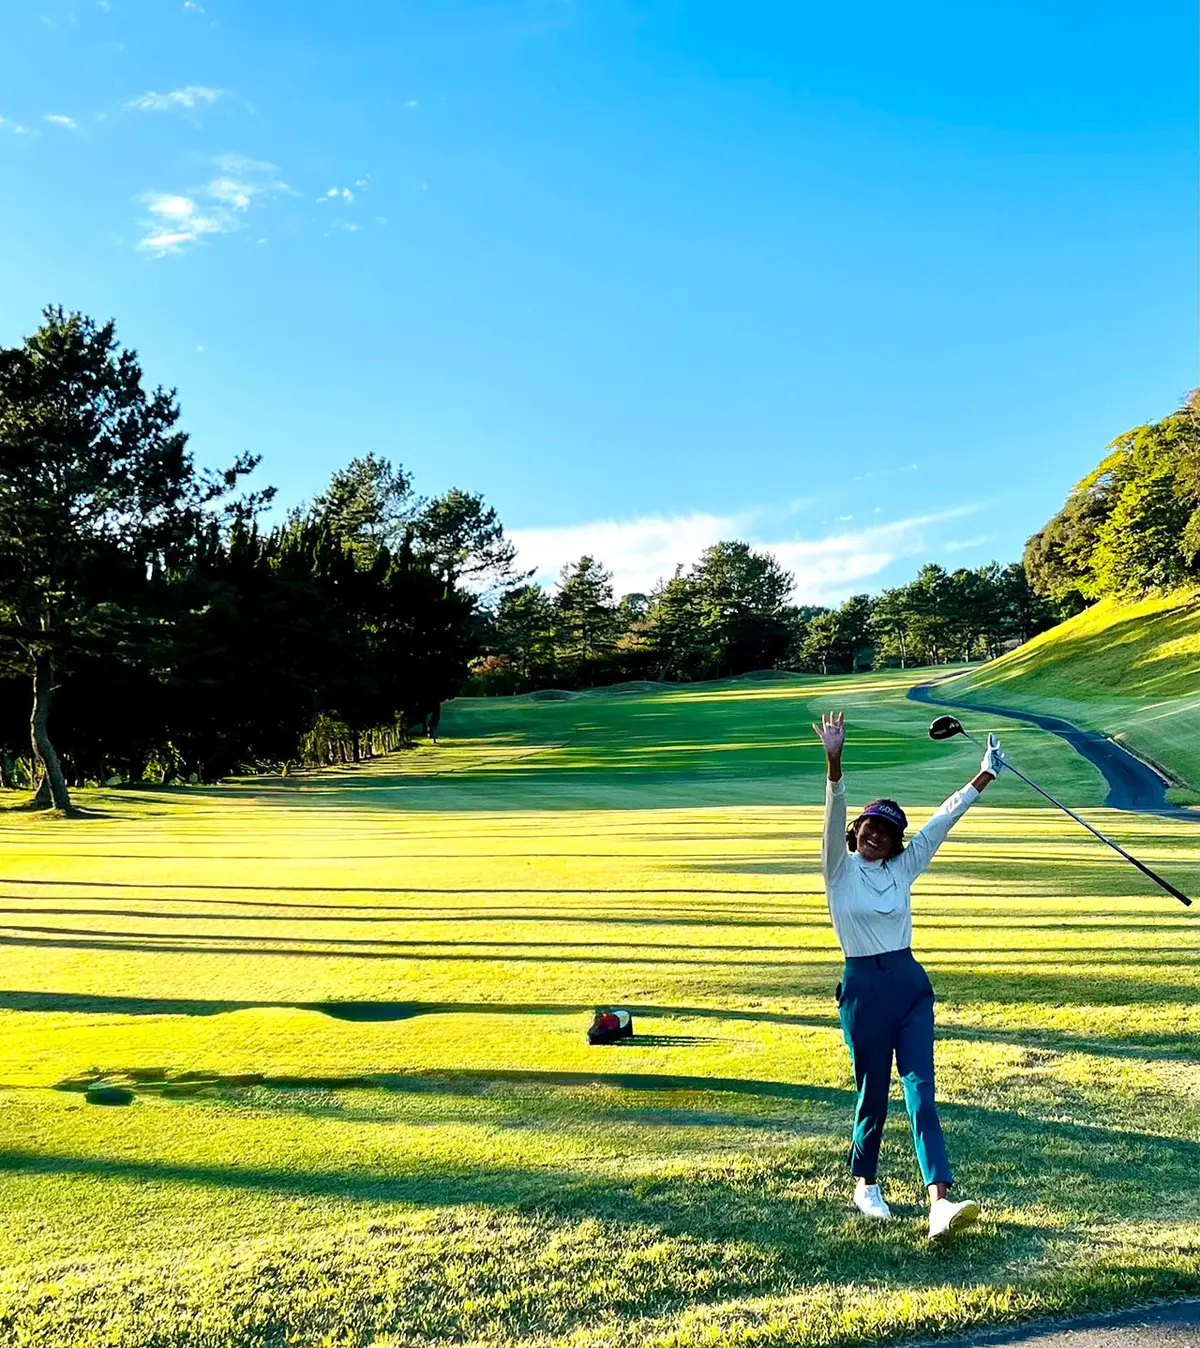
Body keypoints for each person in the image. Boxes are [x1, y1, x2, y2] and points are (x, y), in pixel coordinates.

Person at [810, 709, 1004, 1240]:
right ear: (858, 831)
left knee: (921, 1090)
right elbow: (833, 813)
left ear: (897, 842)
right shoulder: (838, 868)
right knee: (873, 1091)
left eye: (888, 832)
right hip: (863, 989)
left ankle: (939, 1200)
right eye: (871, 827)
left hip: (910, 986)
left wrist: (983, 775)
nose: (877, 836)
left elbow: (941, 819)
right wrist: (834, 763)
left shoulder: (904, 867)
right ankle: (865, 1183)